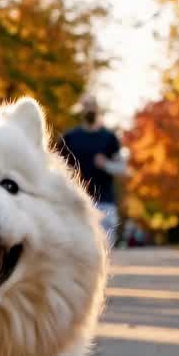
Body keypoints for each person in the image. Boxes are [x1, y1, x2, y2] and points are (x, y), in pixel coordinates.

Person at [56, 94, 124, 244]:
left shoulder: (109, 137)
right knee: (79, 250)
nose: (89, 108)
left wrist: (106, 164)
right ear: (81, 109)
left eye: (92, 105)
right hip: (76, 201)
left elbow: (121, 168)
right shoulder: (70, 137)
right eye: (86, 105)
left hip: (104, 202)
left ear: (98, 108)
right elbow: (54, 165)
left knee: (105, 251)